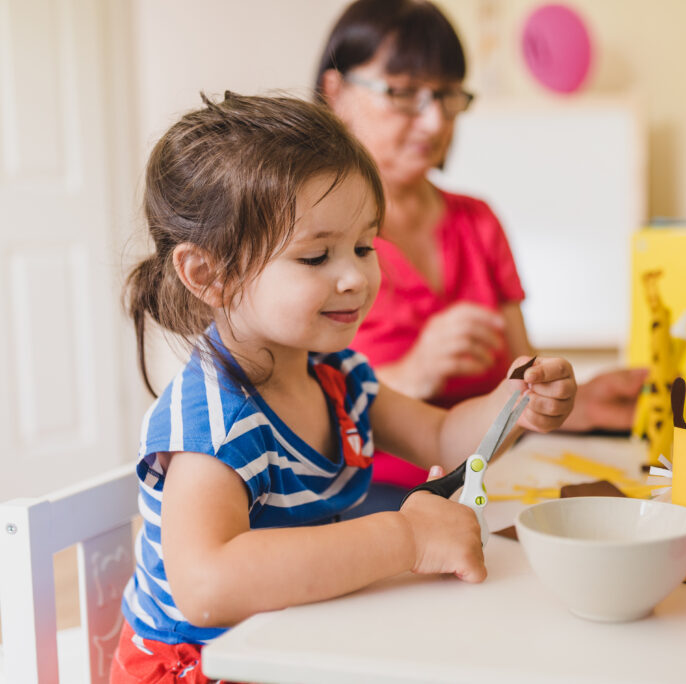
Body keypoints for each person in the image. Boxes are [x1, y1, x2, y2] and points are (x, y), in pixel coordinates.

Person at [112, 92, 576, 681]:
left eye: (363, 246)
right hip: (203, 667)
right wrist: (406, 538)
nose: (355, 276)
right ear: (209, 275)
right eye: (315, 257)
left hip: (290, 644)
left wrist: (515, 404)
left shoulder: (337, 377)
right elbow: (208, 586)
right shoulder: (215, 418)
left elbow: (441, 438)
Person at [314, 0, 646, 508]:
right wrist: (413, 372)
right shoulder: (311, 235)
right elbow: (297, 400)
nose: (434, 122)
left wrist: (568, 401)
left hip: (490, 477)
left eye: (446, 95)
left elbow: (519, 379)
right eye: (403, 92)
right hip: (366, 494)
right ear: (335, 91)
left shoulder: (478, 221)